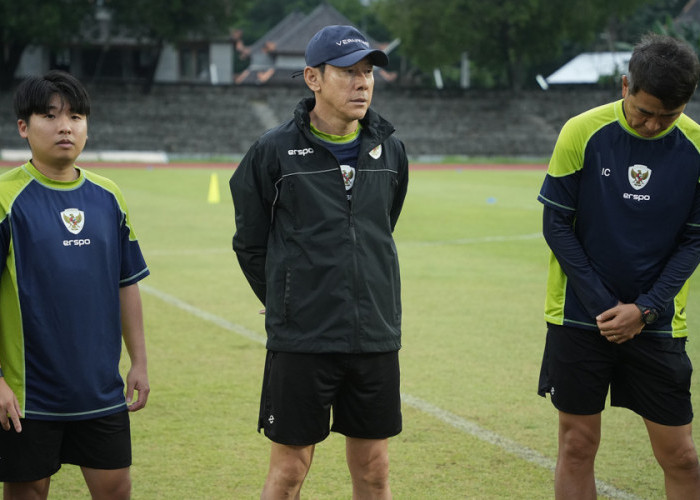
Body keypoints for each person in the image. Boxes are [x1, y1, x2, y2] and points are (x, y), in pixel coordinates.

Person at [229, 24, 408, 499]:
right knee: (289, 470)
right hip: (303, 339)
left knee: (374, 469)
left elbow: (383, 224)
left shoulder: (390, 148)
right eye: (348, 72)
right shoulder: (272, 151)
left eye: (368, 72)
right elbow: (250, 243)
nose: (362, 83)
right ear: (313, 78)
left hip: (373, 333)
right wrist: (283, 298)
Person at [537, 33, 700, 499]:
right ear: (625, 85)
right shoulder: (581, 131)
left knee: (682, 455)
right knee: (576, 444)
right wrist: (608, 308)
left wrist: (644, 310)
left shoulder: (696, 146)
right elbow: (557, 227)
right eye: (644, 111)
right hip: (579, 317)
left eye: (668, 116)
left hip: (658, 321)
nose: (652, 125)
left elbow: (694, 240)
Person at [0, 70, 150, 499]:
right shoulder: (6, 198)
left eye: (77, 116)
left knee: (116, 491)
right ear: (24, 127)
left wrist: (138, 362)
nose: (66, 126)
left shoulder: (108, 196)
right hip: (27, 395)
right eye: (50, 116)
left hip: (99, 388)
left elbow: (127, 282)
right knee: (27, 493)